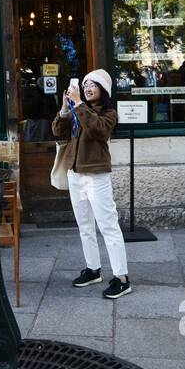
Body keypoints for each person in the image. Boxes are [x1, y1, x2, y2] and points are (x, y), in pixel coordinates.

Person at [55, 69, 130, 299]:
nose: (87, 88)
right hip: (75, 174)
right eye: (84, 84)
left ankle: (122, 278)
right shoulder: (78, 110)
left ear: (103, 90)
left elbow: (98, 130)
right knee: (84, 226)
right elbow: (58, 133)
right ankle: (93, 269)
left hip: (97, 175)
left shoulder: (109, 113)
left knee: (108, 226)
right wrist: (65, 110)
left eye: (92, 85)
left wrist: (78, 105)